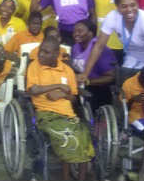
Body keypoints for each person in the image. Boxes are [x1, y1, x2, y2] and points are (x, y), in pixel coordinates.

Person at [26, 37, 94, 181]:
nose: (41, 55)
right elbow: (33, 89)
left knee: (84, 137)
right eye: (40, 51)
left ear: (56, 54)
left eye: (46, 52)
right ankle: (66, 177)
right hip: (46, 114)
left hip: (68, 115)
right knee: (68, 137)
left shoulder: (67, 70)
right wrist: (57, 86)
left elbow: (74, 98)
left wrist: (62, 94)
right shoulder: (34, 66)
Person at [79, 0, 144, 86]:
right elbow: (99, 46)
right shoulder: (112, 17)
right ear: (117, 7)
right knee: (125, 83)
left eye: (133, 5)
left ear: (137, 4)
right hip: (135, 54)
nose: (129, 9)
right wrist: (85, 74)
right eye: (124, 6)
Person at [71, 19, 115, 111]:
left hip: (98, 89)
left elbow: (110, 77)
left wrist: (88, 82)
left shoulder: (102, 51)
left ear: (91, 33)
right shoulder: (75, 47)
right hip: (80, 86)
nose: (75, 34)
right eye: (74, 31)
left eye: (80, 31)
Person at [92, 0, 130, 65]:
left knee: (118, 71)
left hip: (118, 40)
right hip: (101, 39)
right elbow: (94, 13)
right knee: (103, 69)